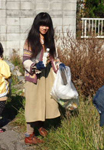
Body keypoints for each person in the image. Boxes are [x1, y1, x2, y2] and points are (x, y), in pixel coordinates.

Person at [22, 12, 65, 145]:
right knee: (33, 104)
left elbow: (55, 57)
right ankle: (29, 135)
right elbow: (25, 60)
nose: (44, 27)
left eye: (47, 25)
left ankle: (40, 126)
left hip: (47, 76)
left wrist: (59, 65)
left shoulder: (50, 40)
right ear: (37, 25)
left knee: (46, 101)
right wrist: (34, 66)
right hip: (34, 77)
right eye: (42, 24)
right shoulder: (30, 40)